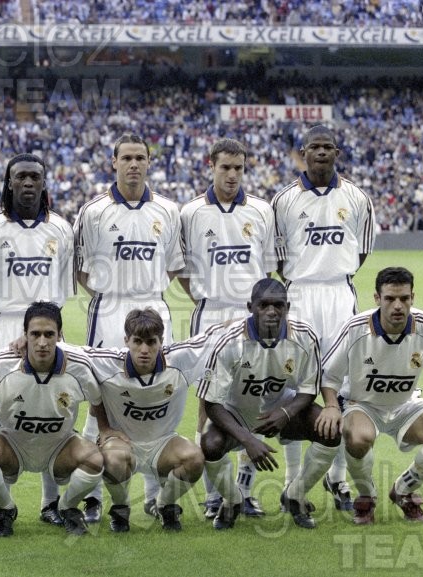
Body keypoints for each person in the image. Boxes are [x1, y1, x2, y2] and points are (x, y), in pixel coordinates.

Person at [73, 132, 185, 522]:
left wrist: (146, 293)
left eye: (141, 157)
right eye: (127, 158)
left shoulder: (169, 211)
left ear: (149, 161)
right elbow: (81, 269)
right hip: (108, 309)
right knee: (98, 395)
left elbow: (173, 264)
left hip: (154, 305)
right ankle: (94, 496)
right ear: (114, 162)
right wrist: (112, 293)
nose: (134, 164)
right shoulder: (93, 211)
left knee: (156, 394)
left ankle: (155, 493)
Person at [316, 267, 423, 525]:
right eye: (390, 298)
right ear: (377, 298)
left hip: (405, 404)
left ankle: (402, 491)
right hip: (363, 405)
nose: (398, 306)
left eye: (404, 298)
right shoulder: (356, 328)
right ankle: (367, 496)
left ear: (412, 298)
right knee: (359, 438)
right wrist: (332, 405)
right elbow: (329, 374)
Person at [271, 124, 376, 511]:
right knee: (297, 384)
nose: (320, 153)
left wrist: (334, 271)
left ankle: (337, 480)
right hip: (299, 294)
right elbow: (278, 256)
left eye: (327, 147)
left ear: (337, 152)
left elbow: (361, 251)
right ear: (303, 151)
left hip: (338, 293)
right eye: (313, 147)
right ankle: (292, 483)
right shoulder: (283, 201)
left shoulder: (358, 197)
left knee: (342, 384)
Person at [0, 153, 75, 525]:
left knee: (52, 412)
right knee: (3, 416)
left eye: (35, 177)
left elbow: (61, 294)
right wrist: (9, 332)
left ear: (44, 183)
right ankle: (3, 506)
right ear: (8, 183)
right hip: (4, 324)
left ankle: (50, 503)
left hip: (48, 329)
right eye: (20, 177)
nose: (28, 183)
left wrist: (42, 334)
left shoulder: (61, 229)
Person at [179, 137, 277, 520]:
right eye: (225, 167)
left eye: (239, 168)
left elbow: (266, 272)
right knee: (208, 403)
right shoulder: (191, 213)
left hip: (250, 320)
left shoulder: (261, 211)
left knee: (256, 399)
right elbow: (183, 272)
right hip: (209, 318)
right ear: (211, 165)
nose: (232, 175)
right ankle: (213, 496)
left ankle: (246, 492)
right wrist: (207, 298)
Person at [198, 278, 340, 530]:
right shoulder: (230, 341)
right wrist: (248, 439)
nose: (272, 312)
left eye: (279, 305)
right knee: (210, 444)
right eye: (264, 305)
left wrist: (286, 413)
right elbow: (212, 403)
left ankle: (294, 495)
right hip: (236, 412)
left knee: (329, 431)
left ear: (287, 307)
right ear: (250, 307)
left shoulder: (305, 336)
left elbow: (309, 389)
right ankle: (232, 501)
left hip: (281, 408)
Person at [0, 302, 104, 537]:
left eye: (49, 334)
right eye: (35, 334)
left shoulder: (79, 367)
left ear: (59, 336)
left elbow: (99, 397)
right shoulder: (4, 363)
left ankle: (67, 508)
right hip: (12, 444)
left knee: (95, 458)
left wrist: (104, 430)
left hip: (59, 447)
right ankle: (5, 509)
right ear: (25, 336)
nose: (42, 342)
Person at [88, 308, 214, 532]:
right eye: (137, 342)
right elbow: (61, 350)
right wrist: (104, 428)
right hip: (124, 444)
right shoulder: (107, 363)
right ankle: (120, 508)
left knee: (194, 458)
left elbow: (216, 336)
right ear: (126, 341)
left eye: (151, 342)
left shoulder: (180, 360)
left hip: (163, 443)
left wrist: (240, 322)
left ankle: (165, 505)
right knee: (113, 459)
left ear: (161, 342)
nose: (144, 350)